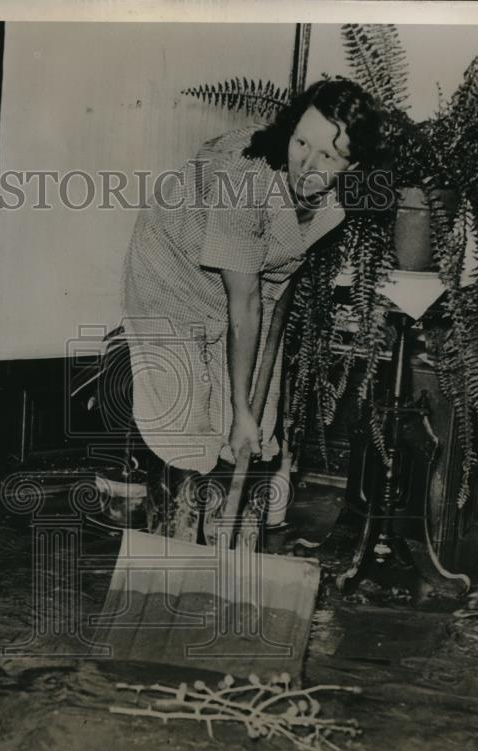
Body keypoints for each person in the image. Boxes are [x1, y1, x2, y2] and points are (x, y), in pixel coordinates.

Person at [111, 77, 389, 543]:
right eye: (301, 141)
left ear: (353, 164)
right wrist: (241, 410)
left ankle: (228, 549)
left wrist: (244, 415)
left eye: (328, 155)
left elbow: (271, 274)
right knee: (187, 413)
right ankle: (174, 545)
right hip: (172, 269)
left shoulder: (348, 194)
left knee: (253, 424)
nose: (306, 162)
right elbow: (245, 303)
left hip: (250, 286)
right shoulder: (244, 177)